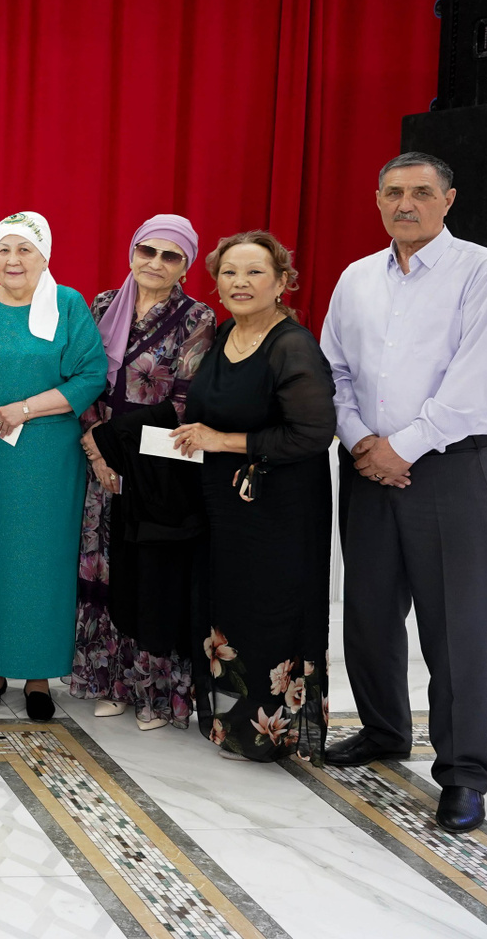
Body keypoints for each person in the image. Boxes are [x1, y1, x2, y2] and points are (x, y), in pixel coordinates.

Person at [321, 153, 487, 833]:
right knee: (369, 612)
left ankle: (463, 773)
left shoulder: (484, 272)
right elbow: (333, 372)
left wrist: (400, 448)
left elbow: (473, 380)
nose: (405, 203)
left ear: (448, 200)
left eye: (420, 192)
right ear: (378, 199)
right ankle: (384, 730)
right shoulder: (355, 278)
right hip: (366, 464)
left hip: (449, 468)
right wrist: (360, 442)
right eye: (393, 192)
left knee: (453, 625)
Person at [169, 231, 335, 765]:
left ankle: (270, 734)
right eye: (229, 272)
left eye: (255, 272)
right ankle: (236, 725)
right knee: (231, 608)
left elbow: (313, 433)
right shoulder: (224, 334)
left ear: (282, 282)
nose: (240, 282)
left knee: (271, 611)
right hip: (225, 504)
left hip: (280, 509)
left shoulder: (292, 346)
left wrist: (222, 441)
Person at [70, 216, 215, 730]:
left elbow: (184, 401)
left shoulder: (197, 317)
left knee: (150, 578)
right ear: (132, 252)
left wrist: (116, 447)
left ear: (185, 266)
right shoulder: (103, 305)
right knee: (104, 571)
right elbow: (83, 377)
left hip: (155, 467)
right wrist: (97, 450)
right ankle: (108, 682)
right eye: (146, 251)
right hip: (100, 462)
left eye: (169, 255)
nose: (155, 263)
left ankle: (152, 694)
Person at [0, 212, 108, 722]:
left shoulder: (67, 304)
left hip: (48, 457)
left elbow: (91, 375)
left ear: (44, 256)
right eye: (4, 249)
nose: (13, 260)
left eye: (24, 249)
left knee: (43, 559)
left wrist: (26, 408)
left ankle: (39, 675)